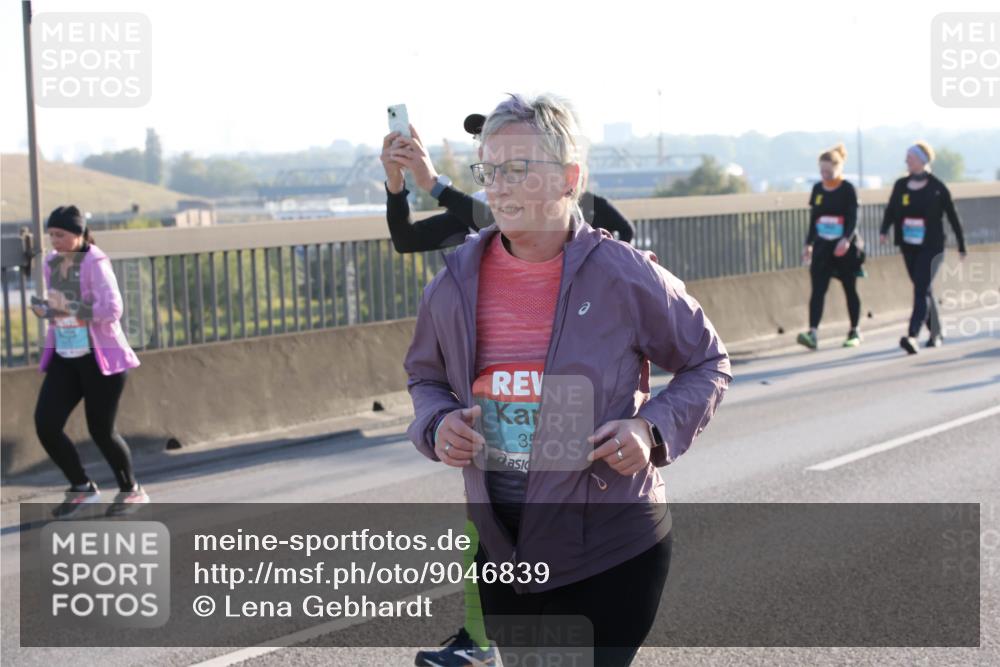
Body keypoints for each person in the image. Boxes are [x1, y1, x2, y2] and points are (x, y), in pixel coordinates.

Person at [404, 94, 731, 666]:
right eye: (489, 171)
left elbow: (708, 361)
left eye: (517, 169)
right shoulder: (454, 281)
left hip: (611, 548)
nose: (498, 188)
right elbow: (424, 376)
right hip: (506, 556)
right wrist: (437, 424)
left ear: (569, 179)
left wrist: (649, 429)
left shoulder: (624, 274)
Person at [31, 205, 148, 518]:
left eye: (61, 235)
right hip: (65, 356)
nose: (54, 240)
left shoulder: (95, 262)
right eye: (51, 234)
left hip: (99, 358)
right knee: (46, 424)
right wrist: (46, 310)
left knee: (101, 431)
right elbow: (60, 308)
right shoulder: (52, 263)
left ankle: (131, 489)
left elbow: (112, 309)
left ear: (79, 234)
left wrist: (72, 309)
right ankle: (81, 487)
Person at [381, 114, 634, 254]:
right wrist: (395, 184)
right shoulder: (480, 202)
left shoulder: (561, 200)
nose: (488, 145)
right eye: (483, 137)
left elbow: (505, 226)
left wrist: (436, 186)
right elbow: (407, 241)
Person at [879, 141, 967, 354]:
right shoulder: (901, 185)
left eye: (910, 158)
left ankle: (912, 335)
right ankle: (936, 331)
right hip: (909, 245)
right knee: (924, 289)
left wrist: (961, 244)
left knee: (920, 289)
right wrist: (884, 230)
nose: (906, 161)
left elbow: (953, 216)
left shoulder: (937, 187)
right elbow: (891, 209)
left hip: (932, 246)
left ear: (922, 160)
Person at [797, 143, 864, 350]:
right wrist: (808, 244)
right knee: (818, 290)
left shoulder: (847, 189)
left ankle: (854, 330)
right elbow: (814, 219)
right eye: (822, 171)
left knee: (849, 288)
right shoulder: (818, 189)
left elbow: (853, 218)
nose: (824, 175)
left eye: (828, 171)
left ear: (838, 168)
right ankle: (813, 333)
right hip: (822, 247)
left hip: (843, 248)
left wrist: (846, 239)